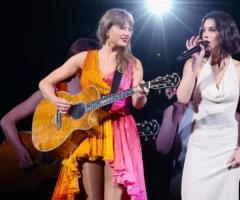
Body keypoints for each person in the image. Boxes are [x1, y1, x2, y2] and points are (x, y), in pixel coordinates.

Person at [38, 8, 148, 200]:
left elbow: (138, 104)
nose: (127, 33)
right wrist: (56, 101)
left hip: (119, 132)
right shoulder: (84, 58)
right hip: (89, 131)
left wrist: (141, 94)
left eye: (130, 29)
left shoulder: (133, 63)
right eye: (122, 27)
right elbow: (45, 83)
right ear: (107, 29)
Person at [176, 10, 240, 199]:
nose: (205, 34)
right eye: (203, 30)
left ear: (225, 33)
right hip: (199, 147)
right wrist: (194, 65)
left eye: (212, 30)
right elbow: (182, 98)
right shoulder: (195, 65)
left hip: (227, 148)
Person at [0, 38, 99, 169]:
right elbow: (7, 120)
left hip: (87, 162)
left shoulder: (98, 95)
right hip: (52, 167)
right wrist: (20, 149)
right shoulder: (53, 91)